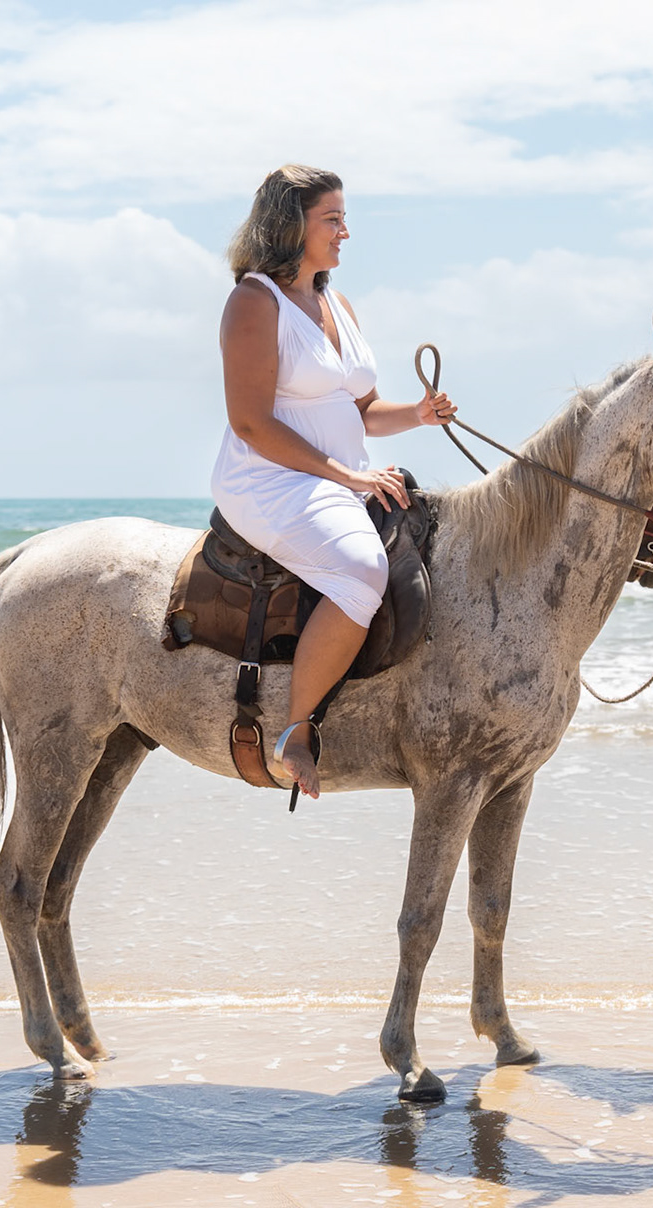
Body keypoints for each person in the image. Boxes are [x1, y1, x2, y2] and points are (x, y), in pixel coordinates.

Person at [212, 164, 454, 800]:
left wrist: (421, 415)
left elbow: (363, 410)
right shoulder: (254, 302)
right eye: (333, 219)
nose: (346, 232)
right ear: (291, 224)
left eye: (344, 218)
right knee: (360, 569)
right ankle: (295, 730)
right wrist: (346, 473)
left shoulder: (335, 302)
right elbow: (252, 423)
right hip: (270, 481)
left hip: (338, 478)